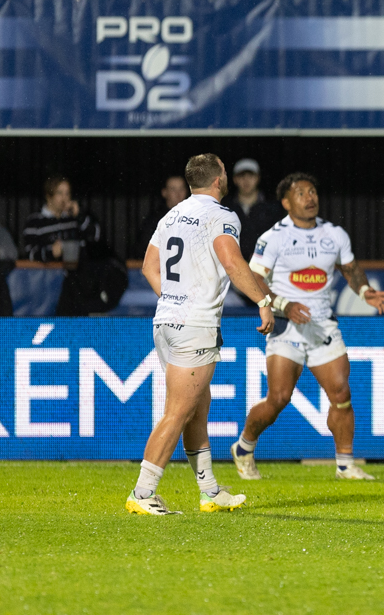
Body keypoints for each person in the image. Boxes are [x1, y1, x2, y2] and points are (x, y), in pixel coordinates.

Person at [127, 153, 274, 515]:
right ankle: (142, 494)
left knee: (195, 410)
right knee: (177, 413)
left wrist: (175, 299)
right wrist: (263, 299)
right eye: (225, 171)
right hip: (194, 326)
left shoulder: (172, 214)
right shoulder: (221, 216)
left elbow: (148, 265)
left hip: (167, 322)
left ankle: (209, 491)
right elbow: (232, 261)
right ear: (218, 180)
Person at [230, 172, 384, 481]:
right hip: (285, 325)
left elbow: (351, 269)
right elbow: (254, 279)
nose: (310, 197)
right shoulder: (273, 237)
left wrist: (364, 291)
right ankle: (244, 446)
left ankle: (345, 464)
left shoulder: (335, 234)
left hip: (321, 325)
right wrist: (283, 306)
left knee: (341, 392)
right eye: (301, 193)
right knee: (278, 398)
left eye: (313, 191)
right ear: (287, 202)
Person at [222, 157, 283, 258]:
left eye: (251, 175)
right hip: (232, 265)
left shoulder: (272, 207)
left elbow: (279, 238)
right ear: (234, 179)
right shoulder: (225, 207)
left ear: (258, 178)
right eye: (241, 176)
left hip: (266, 264)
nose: (246, 180)